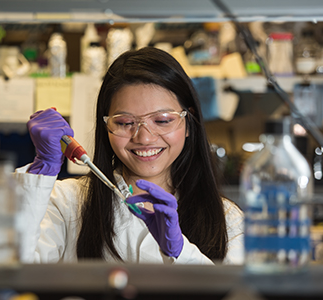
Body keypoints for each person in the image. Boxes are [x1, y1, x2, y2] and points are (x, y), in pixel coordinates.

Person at [16, 46, 243, 264]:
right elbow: (11, 270)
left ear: (188, 123)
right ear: (106, 126)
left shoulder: (227, 219)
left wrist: (181, 252)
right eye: (125, 122)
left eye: (162, 120)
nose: (144, 138)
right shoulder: (68, 203)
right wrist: (42, 170)